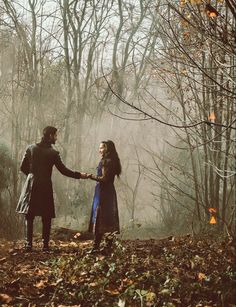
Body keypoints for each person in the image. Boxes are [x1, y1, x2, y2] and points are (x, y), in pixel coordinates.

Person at [16, 126, 89, 251]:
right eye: (55, 135)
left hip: (31, 184)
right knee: (46, 215)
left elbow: (23, 167)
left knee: (29, 214)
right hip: (45, 185)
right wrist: (79, 175)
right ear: (50, 136)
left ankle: (28, 245)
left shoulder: (30, 148)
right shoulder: (53, 153)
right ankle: (45, 245)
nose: (56, 138)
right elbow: (64, 170)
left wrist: (32, 177)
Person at [88, 140, 121, 253]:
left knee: (101, 217)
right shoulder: (111, 161)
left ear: (108, 149)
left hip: (103, 193)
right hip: (108, 192)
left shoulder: (107, 162)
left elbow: (104, 178)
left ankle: (96, 247)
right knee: (107, 218)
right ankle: (107, 246)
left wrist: (90, 176)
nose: (99, 150)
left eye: (102, 147)